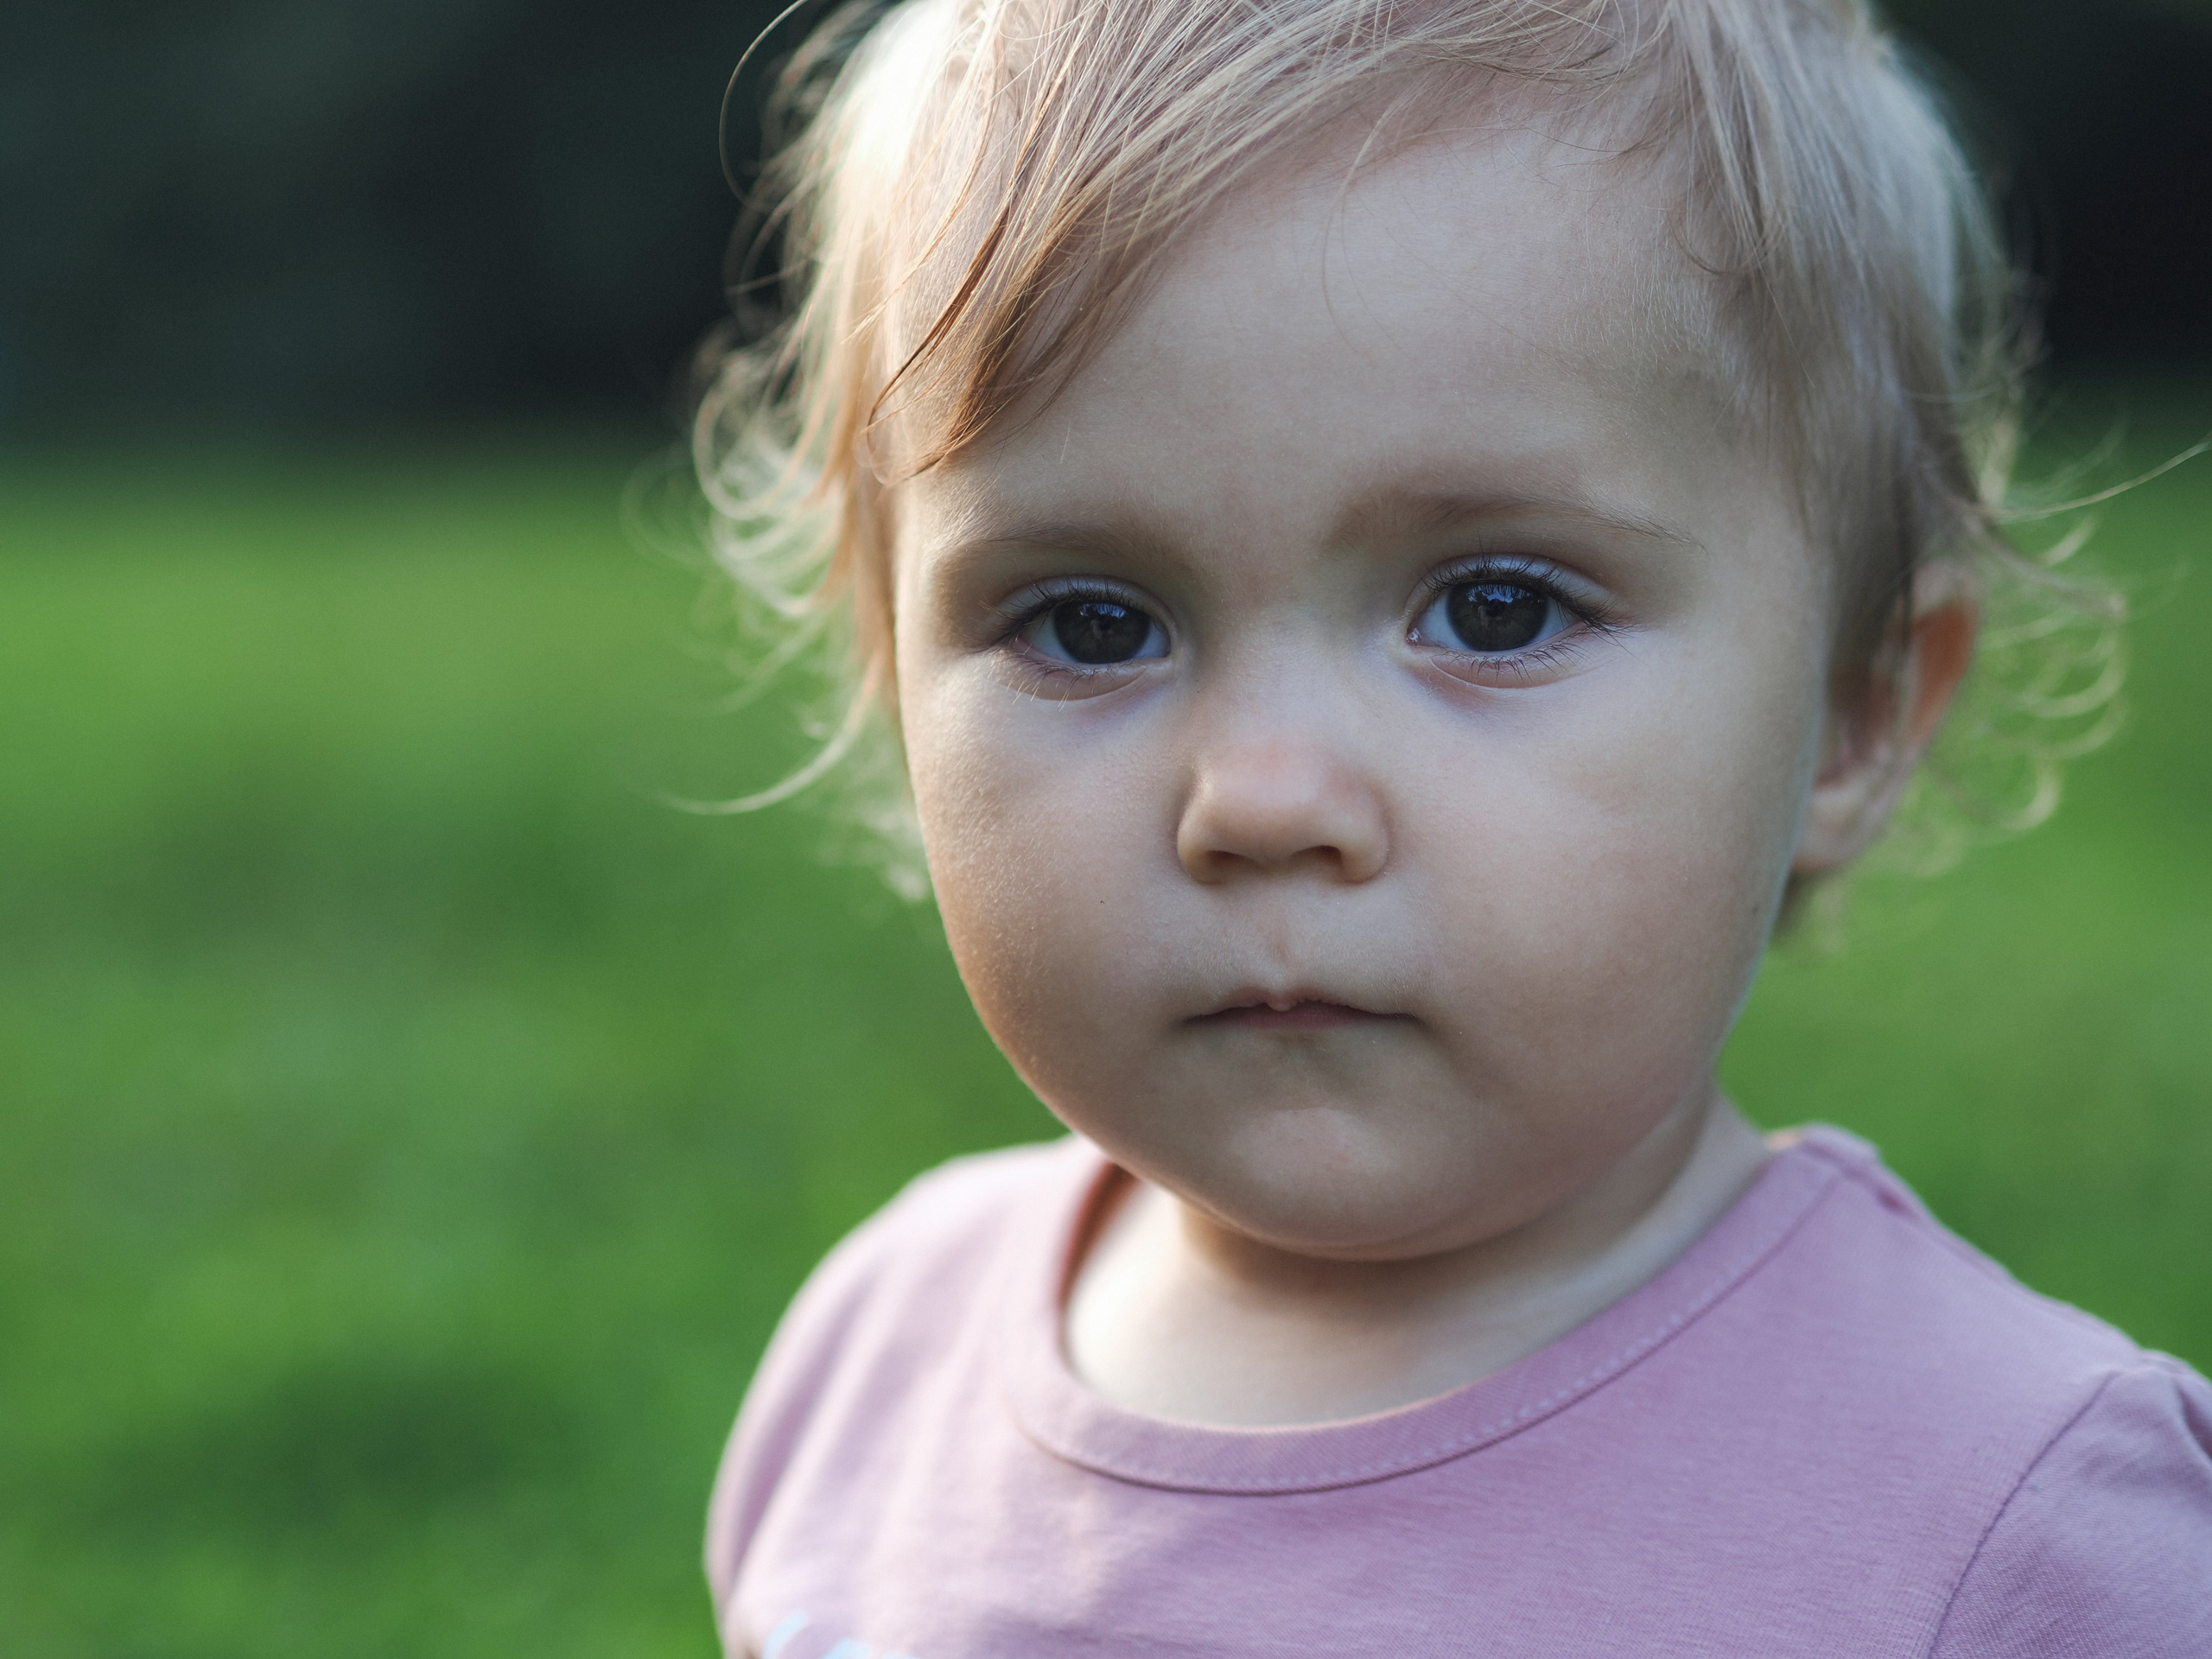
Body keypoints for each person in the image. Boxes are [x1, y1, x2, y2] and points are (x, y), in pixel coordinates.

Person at [690, 1, 2212, 1652]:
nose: (1263, 801)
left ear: (1854, 715)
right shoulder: (876, 1371)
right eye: (1092, 623)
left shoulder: (2027, 1532)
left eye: (1492, 609)